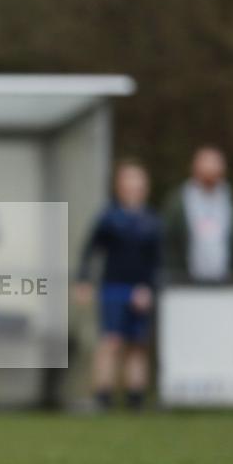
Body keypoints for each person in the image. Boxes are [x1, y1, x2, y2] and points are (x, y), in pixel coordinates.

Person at [75, 160, 161, 410]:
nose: (134, 186)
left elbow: (157, 261)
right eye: (129, 181)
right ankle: (103, 396)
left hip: (141, 290)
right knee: (111, 342)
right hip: (113, 288)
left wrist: (149, 288)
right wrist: (83, 280)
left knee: (138, 344)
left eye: (138, 181)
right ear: (120, 186)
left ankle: (136, 398)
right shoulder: (110, 218)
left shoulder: (151, 221)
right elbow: (90, 250)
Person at [162, 146, 233, 283]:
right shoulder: (178, 202)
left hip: (225, 285)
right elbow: (168, 241)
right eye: (205, 162)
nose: (210, 168)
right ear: (194, 167)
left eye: (215, 163)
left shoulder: (232, 203)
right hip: (185, 285)